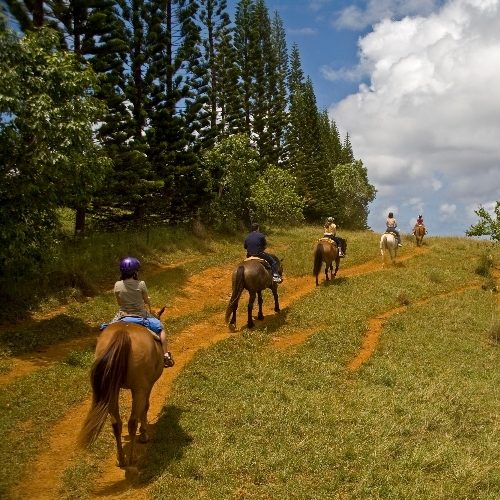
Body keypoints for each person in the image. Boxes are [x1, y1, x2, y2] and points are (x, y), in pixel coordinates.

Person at [113, 256, 174, 368]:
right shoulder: (141, 284)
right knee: (161, 328)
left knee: (107, 329)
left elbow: (119, 303)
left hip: (122, 315)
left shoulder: (117, 285)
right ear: (135, 272)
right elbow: (146, 300)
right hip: (140, 315)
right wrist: (146, 300)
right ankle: (165, 355)